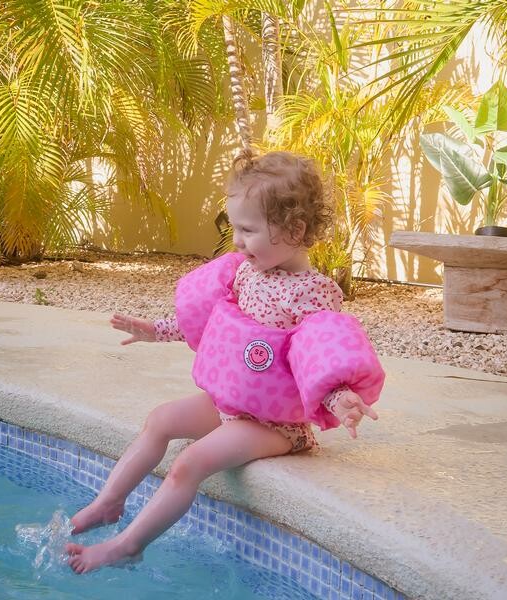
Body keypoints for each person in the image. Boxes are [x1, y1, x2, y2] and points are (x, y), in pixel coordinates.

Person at [65, 150, 382, 574]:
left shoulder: (312, 292)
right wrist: (156, 331)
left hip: (273, 426)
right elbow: (213, 321)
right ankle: (108, 502)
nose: (237, 240)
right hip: (230, 405)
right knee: (160, 420)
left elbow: (316, 352)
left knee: (188, 464)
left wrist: (339, 399)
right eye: (234, 227)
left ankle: (128, 545)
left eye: (248, 230)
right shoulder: (245, 271)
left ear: (295, 230)